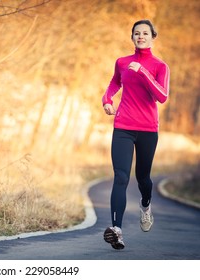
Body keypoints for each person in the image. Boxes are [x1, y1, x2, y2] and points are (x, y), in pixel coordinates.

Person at [101, 19, 170, 250]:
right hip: (123, 126)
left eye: (145, 33)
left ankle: (146, 205)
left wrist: (143, 73)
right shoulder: (122, 62)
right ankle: (116, 230)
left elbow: (162, 96)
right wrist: (107, 100)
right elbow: (114, 82)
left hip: (148, 130)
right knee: (121, 177)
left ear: (152, 37)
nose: (141, 36)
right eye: (137, 33)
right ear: (132, 37)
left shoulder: (160, 66)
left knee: (143, 178)